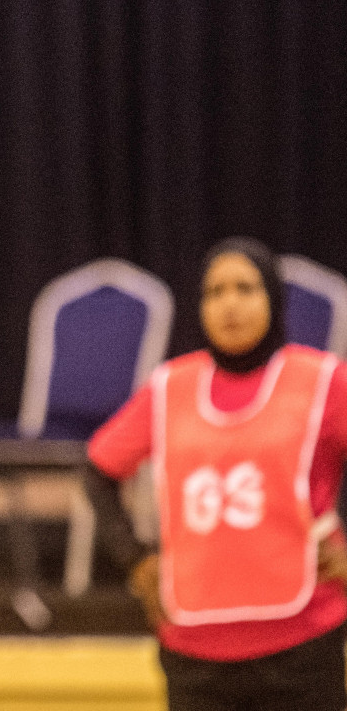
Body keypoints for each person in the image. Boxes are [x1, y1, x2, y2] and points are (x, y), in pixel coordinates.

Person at [84, 237, 347, 711]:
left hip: (304, 643)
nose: (230, 303)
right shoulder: (169, 386)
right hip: (193, 650)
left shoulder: (323, 379)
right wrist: (136, 560)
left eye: (246, 288)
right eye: (215, 291)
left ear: (273, 298)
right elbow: (97, 472)